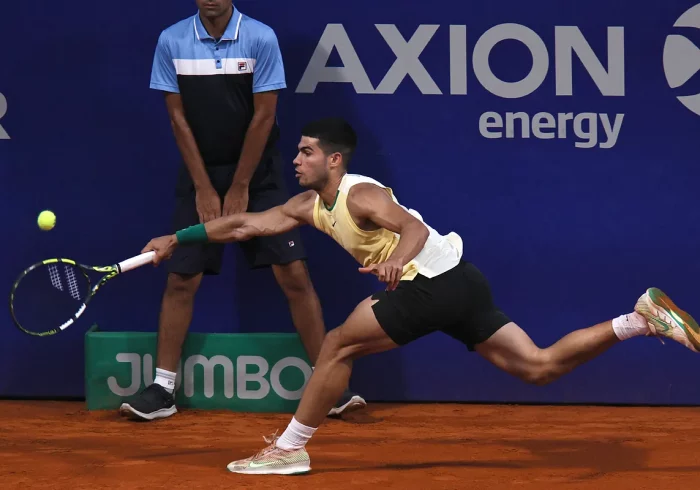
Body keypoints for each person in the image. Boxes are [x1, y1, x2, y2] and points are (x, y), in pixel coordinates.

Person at [140, 117, 700, 475]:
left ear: (334, 160)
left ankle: (290, 447)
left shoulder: (362, 193)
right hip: (461, 282)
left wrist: (396, 261)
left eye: (308, 152)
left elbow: (413, 229)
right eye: (299, 152)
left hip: (430, 279)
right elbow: (241, 226)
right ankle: (639, 320)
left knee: (336, 345)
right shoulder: (305, 207)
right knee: (538, 366)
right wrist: (179, 237)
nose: (297, 159)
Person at [119, 2, 365, 421]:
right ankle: (163, 390)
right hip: (201, 170)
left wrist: (240, 185)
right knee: (181, 276)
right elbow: (177, 119)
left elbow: (264, 116)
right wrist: (202, 186)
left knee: (293, 275)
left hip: (259, 173)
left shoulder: (259, 37)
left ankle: (328, 384)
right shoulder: (172, 40)